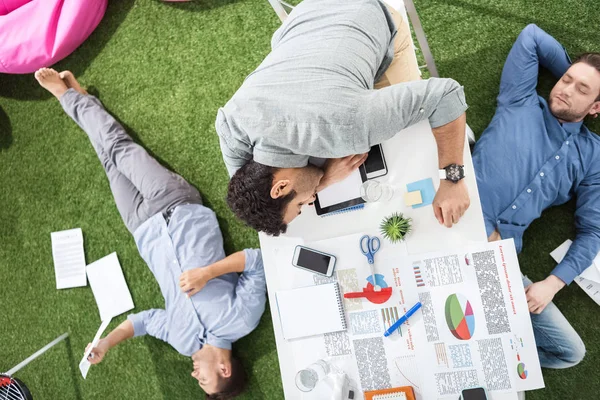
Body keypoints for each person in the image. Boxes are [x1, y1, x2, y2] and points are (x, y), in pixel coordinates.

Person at [34, 68, 267, 399]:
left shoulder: (182, 341)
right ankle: (67, 96)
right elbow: (257, 263)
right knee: (117, 147)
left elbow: (143, 322)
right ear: (224, 370)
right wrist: (208, 273)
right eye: (203, 379)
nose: (194, 373)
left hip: (141, 227)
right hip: (177, 206)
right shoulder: (241, 320)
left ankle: (81, 99)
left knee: (108, 159)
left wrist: (106, 343)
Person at [218, 0, 471, 236]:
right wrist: (323, 179)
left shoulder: (349, 127)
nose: (310, 201)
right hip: (308, 15)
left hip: (365, 11)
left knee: (412, 128)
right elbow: (243, 187)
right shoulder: (231, 126)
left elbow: (446, 96)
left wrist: (452, 179)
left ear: (280, 187)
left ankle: (458, 133)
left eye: (301, 205)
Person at [473, 24, 599, 368]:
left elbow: (593, 232)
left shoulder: (593, 155)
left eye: (582, 89)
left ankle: (485, 354)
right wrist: (575, 80)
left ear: (595, 107)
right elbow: (531, 36)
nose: (565, 89)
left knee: (570, 353)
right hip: (459, 218)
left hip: (500, 262)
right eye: (567, 79)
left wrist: (553, 284)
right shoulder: (522, 99)